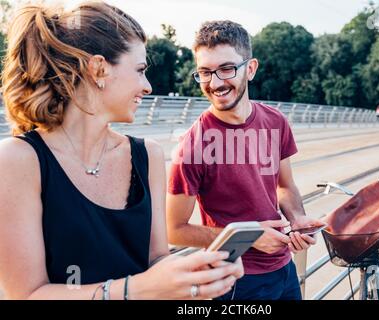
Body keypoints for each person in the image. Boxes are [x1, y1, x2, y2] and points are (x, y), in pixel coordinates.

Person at [0, 2, 243, 300]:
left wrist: (193, 275)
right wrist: (134, 289)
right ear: (98, 68)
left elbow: (156, 261)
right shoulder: (18, 160)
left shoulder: (148, 156)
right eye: (140, 70)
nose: (148, 86)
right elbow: (26, 295)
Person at [166, 20, 323, 300]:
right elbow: (174, 230)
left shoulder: (275, 121)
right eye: (205, 73)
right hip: (234, 280)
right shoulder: (193, 145)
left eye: (226, 69)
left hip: (284, 270)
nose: (214, 83)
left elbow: (284, 186)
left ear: (250, 69)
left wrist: (297, 218)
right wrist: (247, 236)